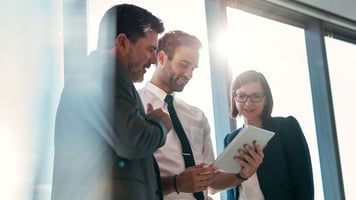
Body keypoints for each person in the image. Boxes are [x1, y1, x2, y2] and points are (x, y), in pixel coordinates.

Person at [51, 4, 172, 200]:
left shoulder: (103, 74)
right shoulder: (103, 73)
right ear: (122, 42)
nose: (153, 61)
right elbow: (133, 141)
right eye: (150, 49)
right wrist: (160, 124)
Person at [138, 30, 264, 200]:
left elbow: (211, 183)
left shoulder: (197, 115)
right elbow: (131, 179)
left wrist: (242, 175)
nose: (189, 75)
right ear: (161, 58)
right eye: (183, 65)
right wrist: (176, 183)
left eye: (193, 68)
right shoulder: (135, 105)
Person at [224, 70, 314, 200]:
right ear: (234, 98)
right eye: (242, 96)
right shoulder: (229, 139)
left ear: (265, 100)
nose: (248, 103)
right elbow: (231, 189)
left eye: (256, 96)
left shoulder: (286, 127)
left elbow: (304, 184)